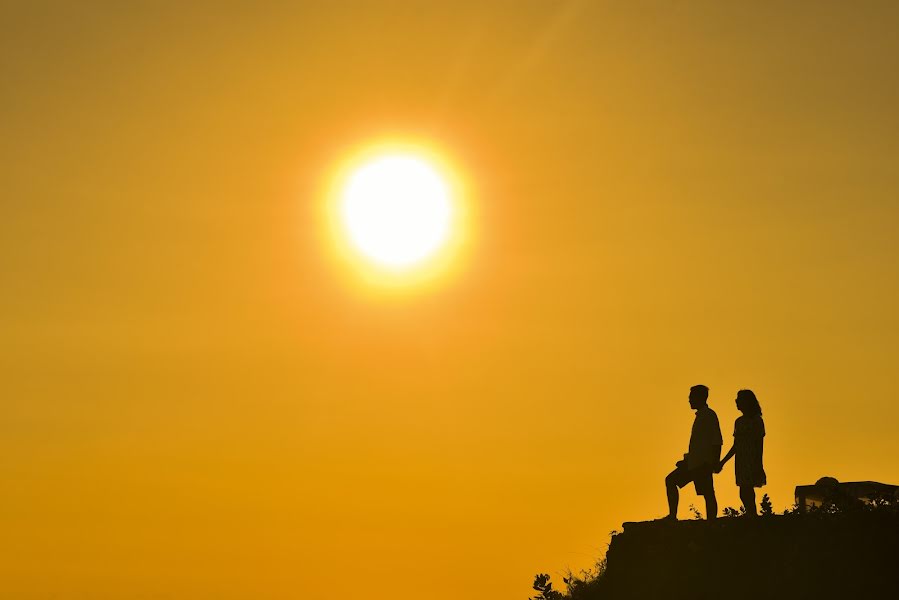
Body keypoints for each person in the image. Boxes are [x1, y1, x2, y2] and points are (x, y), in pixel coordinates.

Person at [664, 385, 723, 520]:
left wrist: (715, 461)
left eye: (691, 397)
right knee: (671, 480)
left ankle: (711, 521)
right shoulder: (702, 416)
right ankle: (673, 515)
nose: (689, 400)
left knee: (708, 492)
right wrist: (686, 460)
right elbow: (698, 445)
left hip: (703, 463)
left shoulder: (709, 416)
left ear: (700, 398)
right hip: (694, 462)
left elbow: (717, 440)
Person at [717, 389, 766, 516]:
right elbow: (736, 445)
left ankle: (752, 515)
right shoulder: (739, 422)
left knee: (746, 490)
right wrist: (723, 461)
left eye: (739, 399)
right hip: (741, 461)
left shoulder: (757, 421)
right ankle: (751, 515)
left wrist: (758, 464)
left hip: (751, 460)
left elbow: (759, 445)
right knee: (744, 491)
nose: (736, 402)